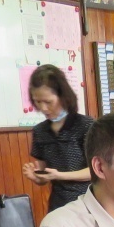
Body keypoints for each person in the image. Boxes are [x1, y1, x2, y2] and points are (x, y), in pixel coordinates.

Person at [21, 65, 94, 214]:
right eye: (37, 102)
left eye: (48, 102)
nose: (43, 108)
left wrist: (60, 175)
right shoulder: (40, 131)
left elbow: (96, 171)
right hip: (58, 205)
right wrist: (36, 177)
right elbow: (45, 176)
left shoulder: (86, 125)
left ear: (63, 96)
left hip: (89, 204)